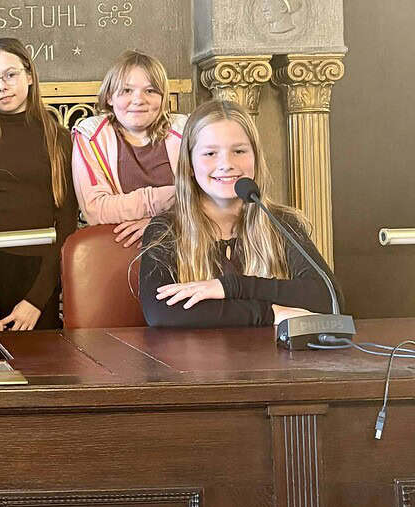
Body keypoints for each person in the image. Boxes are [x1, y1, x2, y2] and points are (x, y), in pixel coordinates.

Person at [138, 99, 340, 327]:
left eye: (239, 151)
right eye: (210, 153)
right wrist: (270, 313)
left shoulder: (282, 223)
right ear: (190, 165)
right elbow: (162, 312)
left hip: (272, 351)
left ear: (256, 157)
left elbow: (328, 297)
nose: (226, 164)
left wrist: (231, 287)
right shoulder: (166, 229)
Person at [0, 38, 76, 332]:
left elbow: (66, 223)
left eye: (10, 75)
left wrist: (37, 299)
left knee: (41, 359)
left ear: (30, 75)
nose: (1, 86)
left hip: (40, 274)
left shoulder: (59, 140)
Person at [72, 50, 188, 247]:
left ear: (163, 97)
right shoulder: (90, 135)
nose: (138, 100)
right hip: (118, 247)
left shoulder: (186, 130)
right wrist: (175, 197)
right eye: (126, 90)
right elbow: (95, 210)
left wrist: (162, 222)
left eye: (150, 91)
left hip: (182, 242)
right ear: (110, 97)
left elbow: (213, 199)